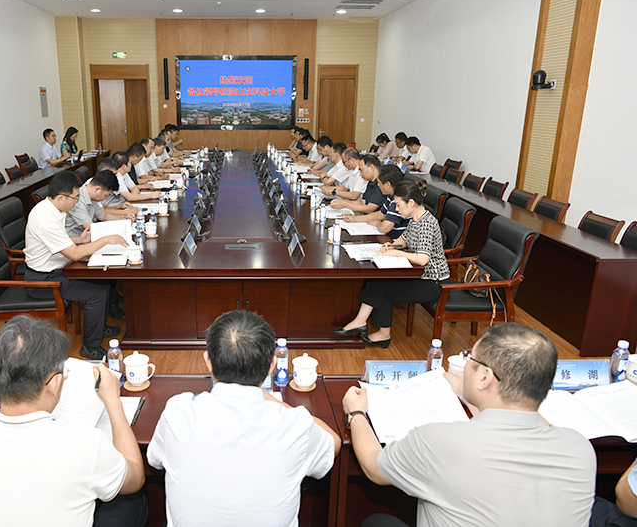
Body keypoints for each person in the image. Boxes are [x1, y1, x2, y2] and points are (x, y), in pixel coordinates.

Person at [343, 323, 596, 527]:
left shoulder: (438, 440)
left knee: (377, 522)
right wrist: (470, 393)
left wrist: (356, 412)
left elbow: (374, 467)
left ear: (485, 377)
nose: (466, 366)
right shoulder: (581, 450)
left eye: (470, 359)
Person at [0, 315, 146, 527]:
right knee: (129, 500)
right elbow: (135, 477)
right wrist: (113, 400)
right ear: (55, 383)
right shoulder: (85, 443)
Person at [147, 309, 341, 527]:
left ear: (208, 360)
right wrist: (275, 401)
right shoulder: (296, 426)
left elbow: (154, 460)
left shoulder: (177, 412)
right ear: (272, 366)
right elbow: (333, 442)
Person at [24, 170, 128, 358]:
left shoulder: (53, 210)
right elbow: (75, 253)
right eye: (75, 198)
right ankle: (89, 347)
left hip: (60, 269)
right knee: (96, 295)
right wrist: (106, 239)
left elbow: (61, 241)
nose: (77, 202)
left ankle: (99, 328)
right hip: (43, 280)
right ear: (61, 198)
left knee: (103, 283)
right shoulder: (44, 218)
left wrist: (79, 239)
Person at [335, 180, 449, 345]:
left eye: (398, 205)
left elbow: (422, 259)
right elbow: (404, 239)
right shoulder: (416, 218)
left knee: (383, 288)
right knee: (378, 281)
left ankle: (380, 333)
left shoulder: (427, 224)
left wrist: (396, 252)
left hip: (432, 283)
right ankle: (361, 322)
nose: (396, 209)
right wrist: (392, 245)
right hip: (418, 275)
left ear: (411, 203)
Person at [343, 165, 408, 238]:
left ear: (388, 184)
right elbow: (380, 214)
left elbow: (385, 228)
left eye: (379, 183)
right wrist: (354, 219)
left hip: (394, 241)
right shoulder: (391, 196)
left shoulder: (398, 200)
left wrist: (378, 223)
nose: (378, 185)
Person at [65, 170, 133, 238]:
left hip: (87, 237)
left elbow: (103, 216)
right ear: (97, 190)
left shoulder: (92, 198)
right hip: (76, 240)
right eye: (106, 195)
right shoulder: (77, 200)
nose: (106, 198)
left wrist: (124, 218)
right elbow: (91, 227)